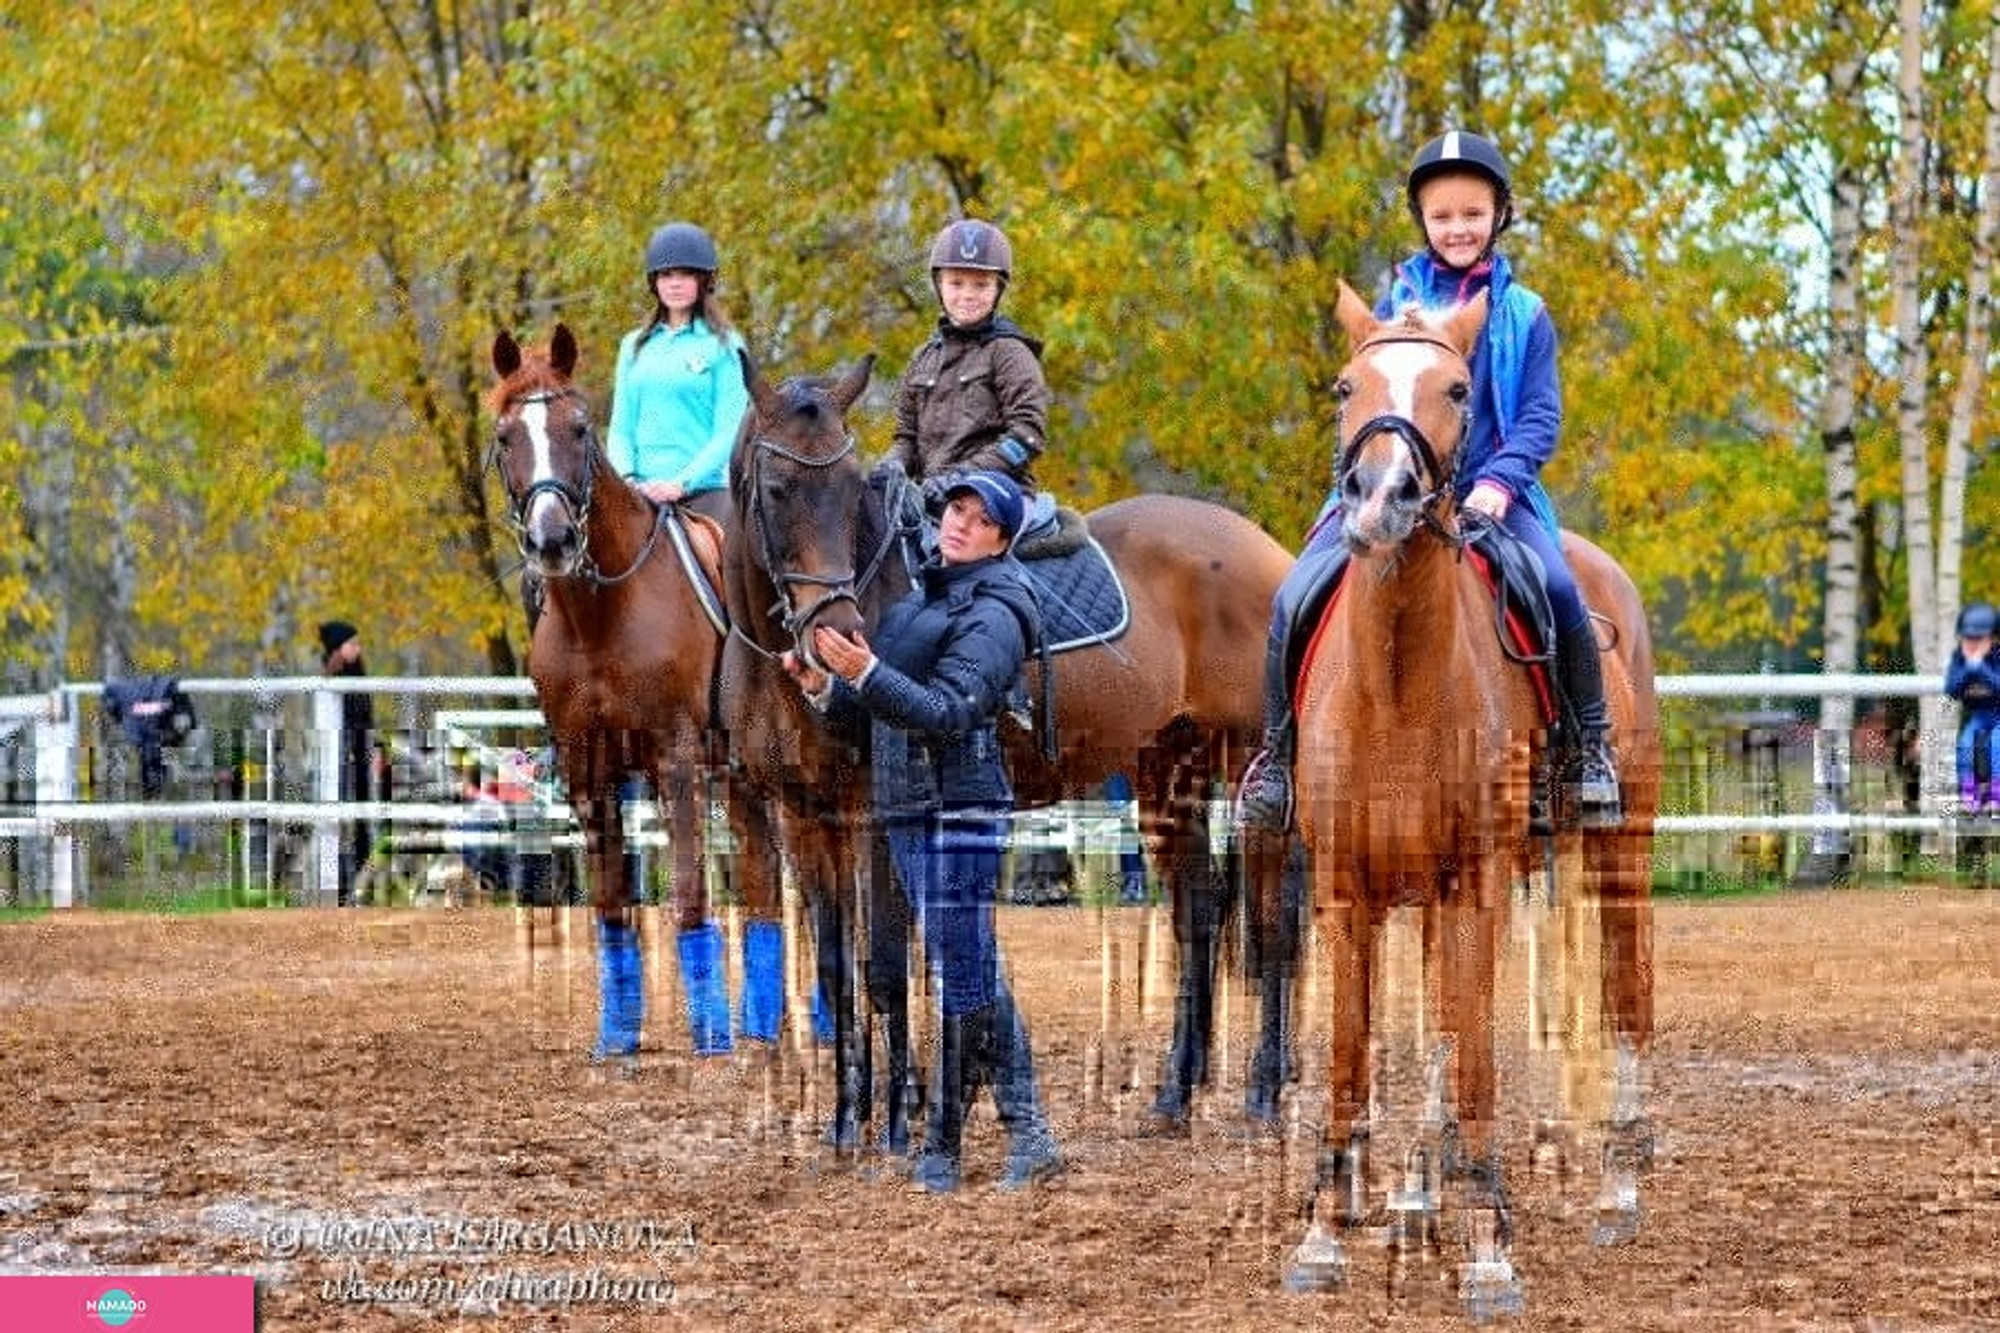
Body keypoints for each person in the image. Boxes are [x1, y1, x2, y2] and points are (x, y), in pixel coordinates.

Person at [1234, 129, 1622, 834]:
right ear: (1424, 222)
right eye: (1443, 216)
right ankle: (1278, 761)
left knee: (1560, 589)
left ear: (1499, 214)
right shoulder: (1393, 309)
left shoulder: (1525, 313)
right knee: (1294, 594)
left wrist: (1500, 482)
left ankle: (1584, 752)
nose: (1458, 228)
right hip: (1386, 482)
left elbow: (1539, 416)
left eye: (1472, 213)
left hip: (1492, 496)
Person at [781, 470, 1063, 1194]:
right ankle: (1024, 1128)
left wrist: (868, 669)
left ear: (1002, 536)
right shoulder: (921, 599)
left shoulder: (1002, 607)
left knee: (960, 972)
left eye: (976, 517)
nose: (957, 524)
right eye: (953, 510)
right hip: (905, 807)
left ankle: (953, 1140)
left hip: (961, 806)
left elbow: (947, 709)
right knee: (968, 966)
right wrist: (828, 691)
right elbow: (880, 710)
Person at [891, 219, 1051, 501]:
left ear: (997, 289)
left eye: (980, 285)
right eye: (956, 283)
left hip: (996, 498)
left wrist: (964, 479)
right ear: (939, 285)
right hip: (928, 496)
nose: (967, 295)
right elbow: (906, 435)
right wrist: (891, 467)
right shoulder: (923, 358)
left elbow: (1027, 435)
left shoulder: (1010, 352)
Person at [319, 620, 378, 905]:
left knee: (363, 819)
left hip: (359, 753)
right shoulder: (331, 671)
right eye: (352, 643)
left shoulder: (359, 671)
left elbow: (366, 716)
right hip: (339, 758)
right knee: (339, 820)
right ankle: (340, 887)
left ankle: (362, 885)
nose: (358, 648)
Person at [1946, 601, 2000, 814]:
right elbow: (1951, 689)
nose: (1972, 643)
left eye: (1979, 638)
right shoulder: (1959, 658)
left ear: (1994, 639)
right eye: (1967, 637)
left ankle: (1996, 797)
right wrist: (1969, 668)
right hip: (1979, 716)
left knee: (1997, 745)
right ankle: (1969, 798)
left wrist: (1981, 668)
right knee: (1965, 745)